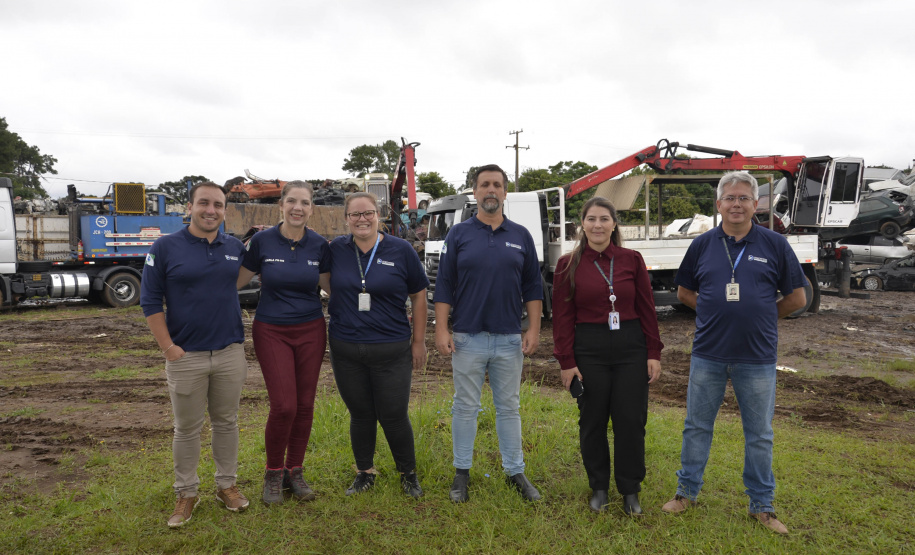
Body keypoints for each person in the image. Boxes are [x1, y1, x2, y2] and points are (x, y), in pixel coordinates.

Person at [661, 171, 807, 535]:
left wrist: (761, 315)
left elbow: (797, 298)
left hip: (756, 357)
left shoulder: (774, 245)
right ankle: (686, 493)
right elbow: (684, 293)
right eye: (730, 198)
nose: (737, 204)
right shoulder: (702, 245)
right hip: (708, 353)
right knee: (696, 427)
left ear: (755, 204)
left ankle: (762, 505)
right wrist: (712, 311)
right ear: (719, 204)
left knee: (758, 433)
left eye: (744, 198)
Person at [141, 181, 250, 528]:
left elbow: (244, 280)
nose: (211, 210)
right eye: (204, 203)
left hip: (230, 352)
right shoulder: (166, 247)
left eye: (218, 205)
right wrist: (169, 349)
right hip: (186, 355)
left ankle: (226, 486)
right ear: (189, 207)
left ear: (224, 210)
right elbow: (149, 300)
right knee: (187, 428)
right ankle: (186, 492)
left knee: (227, 422)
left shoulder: (233, 247)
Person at [434, 164, 543, 503]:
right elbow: (444, 284)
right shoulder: (459, 234)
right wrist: (441, 328)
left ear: (505, 192)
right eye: (485, 185)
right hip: (467, 336)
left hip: (510, 337)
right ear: (475, 191)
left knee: (509, 407)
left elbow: (533, 287)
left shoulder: (521, 235)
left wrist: (534, 328)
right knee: (465, 407)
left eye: (497, 184)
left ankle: (515, 471)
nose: (491, 190)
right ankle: (461, 474)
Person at [552, 197, 663, 515]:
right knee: (593, 421)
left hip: (631, 347)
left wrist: (653, 351)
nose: (597, 225)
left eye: (604, 219)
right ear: (581, 225)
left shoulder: (632, 259)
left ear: (614, 224)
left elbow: (647, 309)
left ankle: (630, 490)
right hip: (589, 350)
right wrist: (567, 361)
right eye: (591, 219)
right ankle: (599, 487)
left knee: (631, 421)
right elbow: (561, 317)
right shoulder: (567, 264)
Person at [326, 192, 429, 498]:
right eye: (355, 214)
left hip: (392, 349)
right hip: (346, 349)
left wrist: (419, 341)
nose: (362, 219)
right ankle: (364, 471)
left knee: (394, 414)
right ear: (346, 219)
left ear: (379, 216)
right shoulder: (335, 250)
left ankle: (408, 473)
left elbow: (419, 295)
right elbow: (323, 281)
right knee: (360, 414)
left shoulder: (400, 250)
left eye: (368, 213)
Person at [236, 181, 329, 505]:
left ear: (311, 208)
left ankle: (295, 471)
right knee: (284, 405)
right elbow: (234, 281)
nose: (297, 207)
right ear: (281, 205)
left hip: (311, 330)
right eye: (292, 201)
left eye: (304, 202)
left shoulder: (319, 245)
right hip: (272, 330)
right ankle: (273, 472)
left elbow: (335, 288)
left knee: (304, 406)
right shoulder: (262, 241)